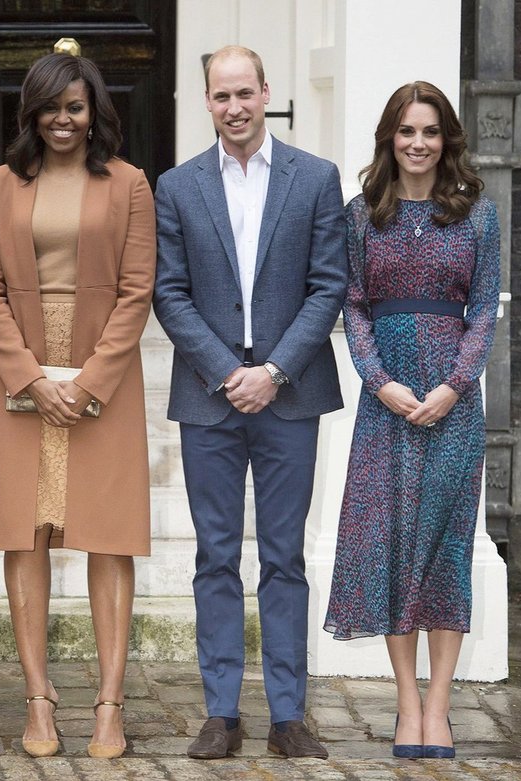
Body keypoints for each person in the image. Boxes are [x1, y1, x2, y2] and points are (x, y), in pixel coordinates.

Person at [153, 45, 347, 760]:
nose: (234, 107)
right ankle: (222, 711)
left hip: (289, 399)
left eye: (245, 93)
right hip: (209, 400)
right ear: (206, 102)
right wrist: (223, 370)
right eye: (221, 96)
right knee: (214, 555)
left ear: (267, 92)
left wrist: (273, 370)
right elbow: (167, 293)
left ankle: (289, 712)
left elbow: (328, 285)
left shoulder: (315, 179)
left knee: (284, 556)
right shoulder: (176, 187)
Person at [0, 52, 155, 760]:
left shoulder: (131, 184)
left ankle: (109, 702)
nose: (62, 120)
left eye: (74, 107)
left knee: (108, 533)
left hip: (106, 375)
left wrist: (90, 381)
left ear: (93, 111)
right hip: (21, 374)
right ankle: (38, 698)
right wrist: (30, 377)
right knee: (26, 531)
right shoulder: (1, 184)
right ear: (31, 115)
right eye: (50, 108)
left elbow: (138, 290)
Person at [324, 81, 499, 761]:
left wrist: (455, 385)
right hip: (386, 403)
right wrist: (381, 381)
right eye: (407, 131)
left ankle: (439, 704)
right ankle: (404, 701)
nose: (419, 143)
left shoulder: (478, 215)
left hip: (454, 405)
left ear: (446, 138)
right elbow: (354, 306)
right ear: (389, 139)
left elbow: (484, 310)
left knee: (445, 549)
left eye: (430, 131)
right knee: (392, 546)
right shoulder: (361, 214)